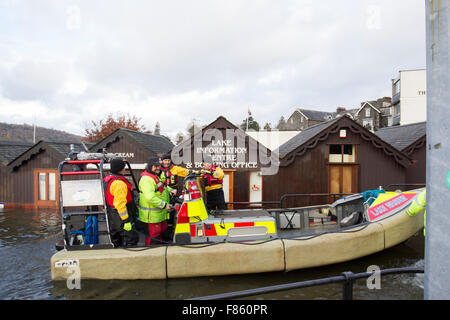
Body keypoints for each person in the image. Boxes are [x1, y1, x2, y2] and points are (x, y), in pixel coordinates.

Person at [138, 157, 176, 245]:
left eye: (159, 166)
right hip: (151, 216)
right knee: (153, 239)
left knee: (161, 235)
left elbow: (161, 188)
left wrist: (170, 190)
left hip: (159, 215)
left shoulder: (154, 176)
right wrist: (164, 205)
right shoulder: (146, 180)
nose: (158, 168)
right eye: (155, 166)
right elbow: (150, 197)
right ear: (150, 166)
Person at [103, 158, 139, 247]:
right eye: (124, 167)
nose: (125, 169)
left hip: (112, 214)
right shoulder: (119, 184)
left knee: (116, 237)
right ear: (120, 169)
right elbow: (120, 204)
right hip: (121, 216)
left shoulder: (108, 179)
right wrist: (126, 220)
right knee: (132, 238)